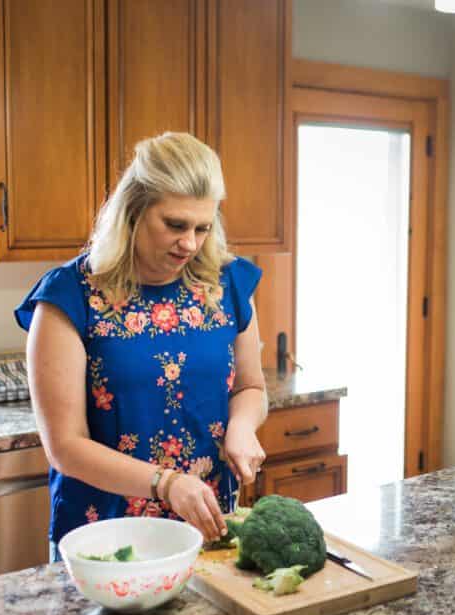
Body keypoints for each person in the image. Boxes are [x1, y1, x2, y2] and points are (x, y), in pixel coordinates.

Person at [14, 132, 268, 559]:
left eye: (203, 228)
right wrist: (165, 484)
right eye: (175, 225)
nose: (190, 243)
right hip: (106, 538)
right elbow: (65, 446)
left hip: (205, 526)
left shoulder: (227, 284)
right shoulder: (70, 297)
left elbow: (251, 387)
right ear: (133, 212)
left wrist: (242, 428)